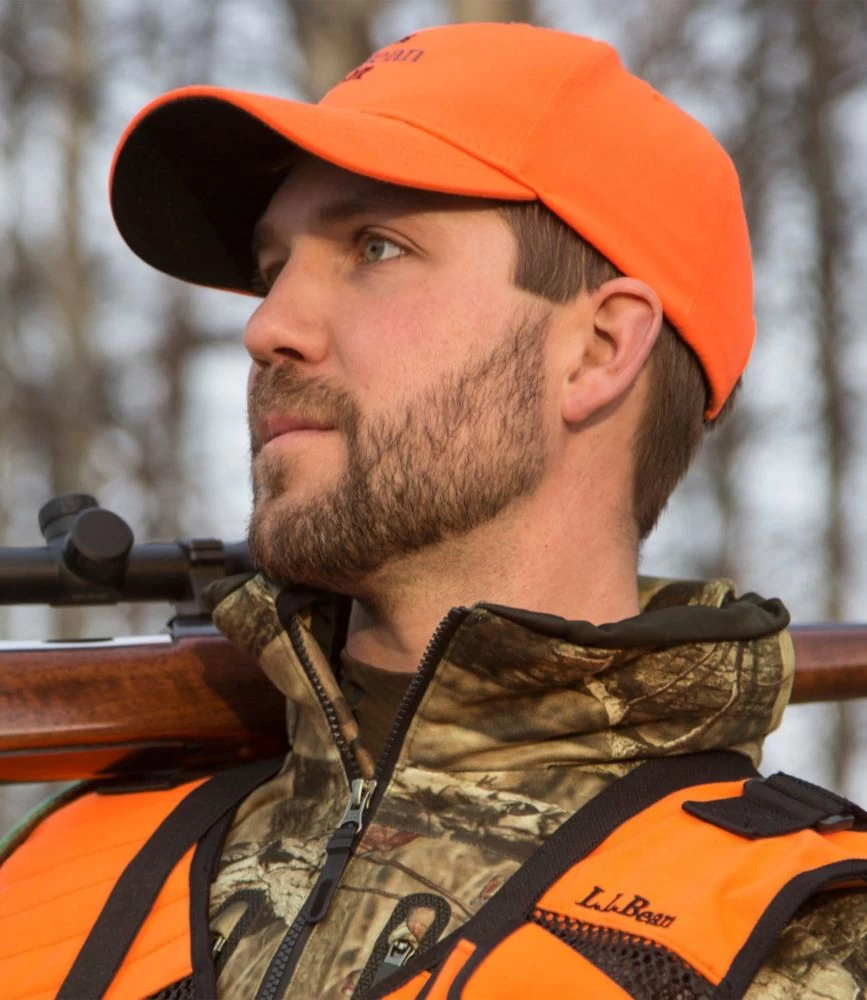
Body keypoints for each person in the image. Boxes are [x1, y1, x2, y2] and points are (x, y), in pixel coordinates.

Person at [2, 20, 867, 1000]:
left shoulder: (804, 944)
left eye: (375, 247)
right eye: (274, 268)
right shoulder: (53, 880)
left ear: (597, 350)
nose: (267, 325)